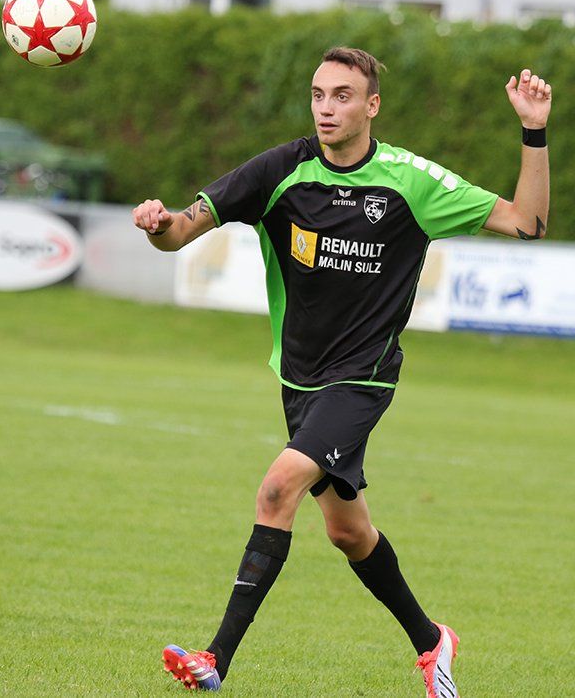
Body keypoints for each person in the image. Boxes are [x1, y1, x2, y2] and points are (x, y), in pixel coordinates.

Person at [132, 46, 551, 697]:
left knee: (278, 489)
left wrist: (533, 130)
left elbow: (529, 222)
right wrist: (157, 224)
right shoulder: (280, 171)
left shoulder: (411, 182)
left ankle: (215, 659)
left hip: (362, 377)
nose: (326, 108)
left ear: (372, 105)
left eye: (343, 96)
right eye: (318, 95)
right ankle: (432, 641)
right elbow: (181, 232)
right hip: (297, 379)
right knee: (349, 532)